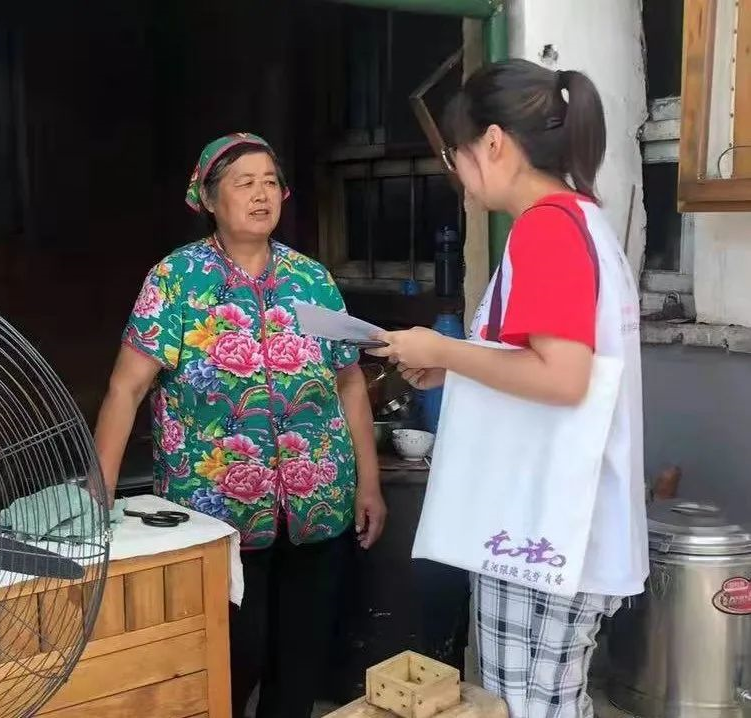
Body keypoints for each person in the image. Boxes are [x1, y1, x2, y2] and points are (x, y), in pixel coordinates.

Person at [368, 61, 646, 718]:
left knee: (524, 708)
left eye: (456, 156)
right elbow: (546, 361)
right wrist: (456, 366)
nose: (459, 176)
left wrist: (443, 350)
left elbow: (563, 377)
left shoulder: (545, 229)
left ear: (493, 143)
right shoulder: (581, 220)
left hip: (545, 523)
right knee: (548, 702)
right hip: (559, 520)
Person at [95, 132, 386, 718]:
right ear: (208, 198)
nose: (261, 195)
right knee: (230, 661)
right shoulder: (177, 279)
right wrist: (98, 489)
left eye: (271, 182)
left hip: (316, 505)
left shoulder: (311, 279)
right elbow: (127, 387)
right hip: (215, 514)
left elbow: (349, 381)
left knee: (299, 665)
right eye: (244, 183)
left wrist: (369, 483)